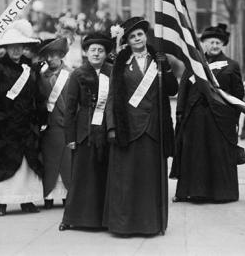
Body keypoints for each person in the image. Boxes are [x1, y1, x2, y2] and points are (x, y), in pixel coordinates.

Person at [103, 16, 178, 236]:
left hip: (154, 129)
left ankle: (151, 225)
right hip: (128, 128)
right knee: (126, 180)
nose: (137, 39)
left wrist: (166, 67)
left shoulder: (159, 60)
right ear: (127, 40)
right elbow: (112, 97)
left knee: (150, 180)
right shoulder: (120, 62)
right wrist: (112, 126)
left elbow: (172, 90)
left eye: (140, 34)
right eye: (132, 36)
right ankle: (124, 225)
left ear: (146, 36)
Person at [172, 23, 244, 203]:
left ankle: (221, 193)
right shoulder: (194, 64)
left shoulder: (231, 65)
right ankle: (194, 192)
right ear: (204, 44)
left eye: (218, 43)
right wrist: (180, 112)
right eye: (211, 42)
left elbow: (238, 96)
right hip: (195, 115)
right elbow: (184, 89)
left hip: (219, 118)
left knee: (217, 154)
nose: (214, 46)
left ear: (223, 45)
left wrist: (233, 118)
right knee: (195, 154)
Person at [0, 19, 47, 216]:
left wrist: (41, 117)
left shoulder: (29, 68)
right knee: (6, 161)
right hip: (5, 124)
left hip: (26, 124)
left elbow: (38, 96)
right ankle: (3, 203)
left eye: (19, 47)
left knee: (27, 163)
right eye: (12, 47)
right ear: (6, 48)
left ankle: (26, 201)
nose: (16, 51)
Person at [60, 32, 113, 230]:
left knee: (103, 175)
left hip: (106, 131)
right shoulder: (78, 74)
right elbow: (70, 107)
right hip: (83, 131)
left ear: (106, 53)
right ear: (86, 53)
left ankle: (103, 219)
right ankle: (73, 218)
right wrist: (70, 136)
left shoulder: (112, 72)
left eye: (101, 50)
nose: (97, 54)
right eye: (93, 50)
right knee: (82, 175)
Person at [38, 37, 73, 209]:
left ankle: (68, 196)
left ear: (61, 55)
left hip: (66, 124)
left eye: (53, 55)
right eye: (47, 56)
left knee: (67, 162)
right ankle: (49, 196)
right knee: (50, 161)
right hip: (50, 126)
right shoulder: (41, 76)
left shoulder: (72, 74)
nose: (50, 59)